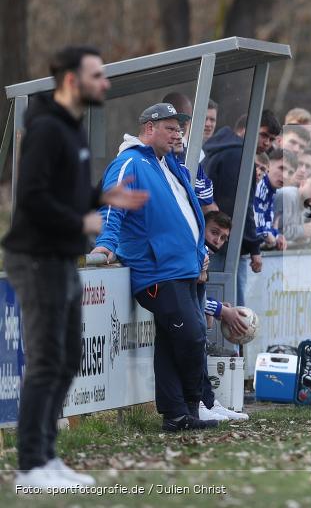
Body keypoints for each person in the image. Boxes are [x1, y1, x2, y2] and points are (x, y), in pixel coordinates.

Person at [2, 46, 147, 489]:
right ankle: (31, 466)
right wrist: (80, 221)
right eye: (97, 75)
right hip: (36, 258)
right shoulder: (46, 129)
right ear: (71, 80)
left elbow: (65, 192)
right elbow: (32, 198)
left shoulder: (72, 128)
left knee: (67, 360)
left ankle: (47, 457)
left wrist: (99, 198)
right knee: (46, 361)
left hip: (62, 258)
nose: (105, 83)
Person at [95, 102, 216, 432]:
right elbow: (113, 205)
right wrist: (106, 243)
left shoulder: (170, 164)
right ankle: (192, 403)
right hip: (158, 271)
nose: (178, 135)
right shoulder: (130, 162)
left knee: (173, 342)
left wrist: (199, 253)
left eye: (179, 129)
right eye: (171, 128)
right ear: (149, 128)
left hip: (185, 268)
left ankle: (179, 415)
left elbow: (189, 213)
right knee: (191, 337)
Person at [203, 109, 282, 305]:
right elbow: (239, 208)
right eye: (263, 135)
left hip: (214, 242)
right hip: (222, 247)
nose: (267, 143)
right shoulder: (238, 155)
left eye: (272, 139)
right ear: (246, 129)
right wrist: (254, 248)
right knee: (230, 311)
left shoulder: (223, 150)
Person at [196, 210, 250, 421]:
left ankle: (209, 402)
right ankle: (198, 403)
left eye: (223, 237)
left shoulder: (204, 254)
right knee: (192, 346)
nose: (217, 240)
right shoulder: (194, 252)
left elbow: (197, 296)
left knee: (200, 344)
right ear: (202, 228)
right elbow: (186, 291)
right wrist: (221, 310)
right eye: (214, 232)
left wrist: (213, 309)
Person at [163, 91, 219, 214]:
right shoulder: (175, 152)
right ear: (190, 120)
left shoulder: (206, 153)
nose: (208, 124)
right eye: (204, 118)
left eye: (212, 120)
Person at [254, 149, 295, 251]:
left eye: (290, 173)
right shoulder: (260, 184)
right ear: (268, 165)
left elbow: (267, 218)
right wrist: (267, 234)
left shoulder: (271, 190)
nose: (285, 176)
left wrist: (276, 236)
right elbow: (255, 219)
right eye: (282, 168)